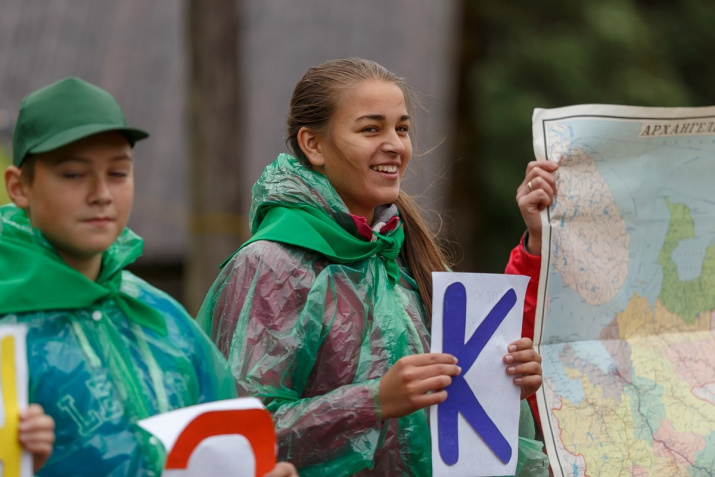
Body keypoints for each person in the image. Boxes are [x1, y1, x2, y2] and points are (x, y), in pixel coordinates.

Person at [198, 58, 554, 476]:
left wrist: (507, 378)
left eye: (401, 128)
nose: (396, 145)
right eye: (371, 128)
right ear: (313, 144)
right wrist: (375, 401)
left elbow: (460, 416)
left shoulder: (407, 252)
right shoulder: (270, 267)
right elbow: (233, 436)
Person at [1, 77, 298, 477]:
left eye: (119, 173)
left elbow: (217, 451)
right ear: (19, 187)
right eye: (73, 174)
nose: (101, 193)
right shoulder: (10, 326)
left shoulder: (160, 315)